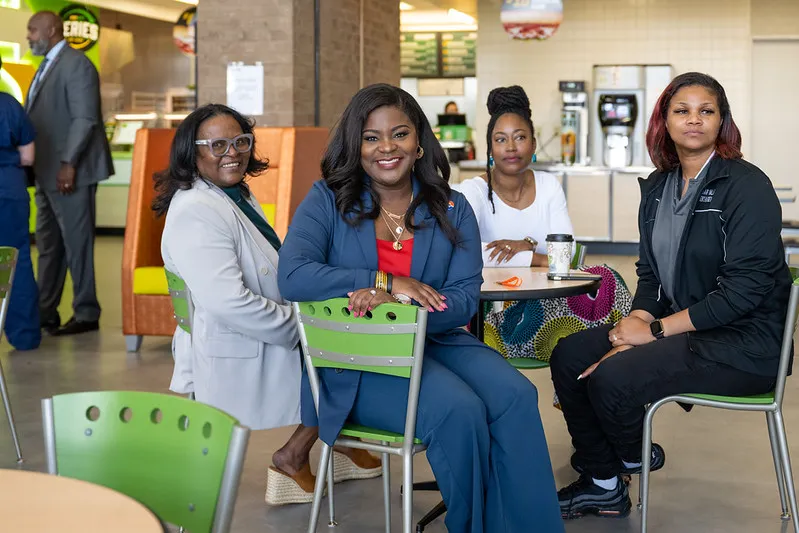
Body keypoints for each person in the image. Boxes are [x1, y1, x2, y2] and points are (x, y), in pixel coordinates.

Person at [278, 83, 564, 533]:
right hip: (357, 362)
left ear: (419, 141)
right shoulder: (327, 201)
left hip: (439, 340)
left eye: (400, 134)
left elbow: (465, 296)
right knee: (460, 410)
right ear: (356, 143)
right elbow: (292, 276)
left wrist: (398, 303)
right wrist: (382, 281)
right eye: (372, 138)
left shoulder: (452, 206)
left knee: (516, 395)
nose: (387, 148)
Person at [550, 72, 791, 520]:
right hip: (689, 330)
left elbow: (743, 292)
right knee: (569, 354)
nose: (694, 120)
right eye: (682, 110)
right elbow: (652, 274)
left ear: (723, 122)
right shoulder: (659, 188)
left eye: (707, 111)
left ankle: (630, 456)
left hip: (746, 343)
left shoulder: (746, 186)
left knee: (611, 378)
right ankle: (604, 484)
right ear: (664, 120)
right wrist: (637, 321)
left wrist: (655, 331)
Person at [155, 104, 381, 506]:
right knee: (350, 349)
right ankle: (295, 456)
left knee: (350, 339)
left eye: (241, 141)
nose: (233, 152)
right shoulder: (196, 210)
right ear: (193, 152)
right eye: (218, 144)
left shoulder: (231, 193)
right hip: (238, 337)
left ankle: (340, 441)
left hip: (261, 324)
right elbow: (228, 302)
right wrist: (301, 327)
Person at [453, 85, 631, 365]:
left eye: (520, 137)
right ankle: (580, 368)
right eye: (501, 140)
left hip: (549, 298)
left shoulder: (548, 186)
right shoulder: (472, 192)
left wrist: (524, 247)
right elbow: (467, 252)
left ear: (534, 145)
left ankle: (609, 368)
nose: (511, 147)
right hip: (493, 310)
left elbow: (566, 255)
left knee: (608, 277)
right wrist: (537, 256)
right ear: (490, 148)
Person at [25, 11, 113, 336]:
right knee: (49, 246)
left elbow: (84, 119)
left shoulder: (76, 64)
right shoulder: (48, 65)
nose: (29, 36)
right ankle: (45, 311)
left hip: (70, 173)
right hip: (47, 174)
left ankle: (86, 313)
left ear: (50, 29)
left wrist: (68, 163)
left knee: (77, 245)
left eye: (32, 30)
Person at [0, 56, 40, 351]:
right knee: (17, 262)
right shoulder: (10, 105)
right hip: (10, 190)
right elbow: (28, 157)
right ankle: (24, 336)